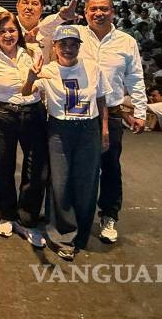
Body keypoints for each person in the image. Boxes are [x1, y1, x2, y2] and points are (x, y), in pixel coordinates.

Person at [58, 0, 146, 246]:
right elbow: (44, 35)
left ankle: (109, 215)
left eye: (104, 9)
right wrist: (61, 17)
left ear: (113, 12)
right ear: (85, 13)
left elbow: (135, 78)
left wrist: (140, 112)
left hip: (113, 112)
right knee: (76, 167)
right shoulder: (74, 35)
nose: (99, 13)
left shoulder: (126, 42)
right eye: (93, 9)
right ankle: (75, 214)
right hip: (78, 111)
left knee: (110, 167)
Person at [22, 25, 111, 261]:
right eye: (63, 44)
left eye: (73, 44)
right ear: (55, 46)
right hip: (60, 131)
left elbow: (101, 100)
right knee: (60, 183)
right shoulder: (48, 70)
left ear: (79, 47)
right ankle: (62, 235)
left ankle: (81, 232)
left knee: (86, 182)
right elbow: (26, 92)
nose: (68, 49)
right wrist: (31, 77)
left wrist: (104, 129)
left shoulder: (92, 67)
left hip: (88, 129)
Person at [0, 10, 47, 247]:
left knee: (35, 168)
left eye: (12, 30)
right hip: (3, 114)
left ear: (19, 32)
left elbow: (42, 82)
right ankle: (7, 214)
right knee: (2, 166)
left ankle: (27, 219)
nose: (8, 35)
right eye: (2, 31)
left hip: (33, 113)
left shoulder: (33, 52)